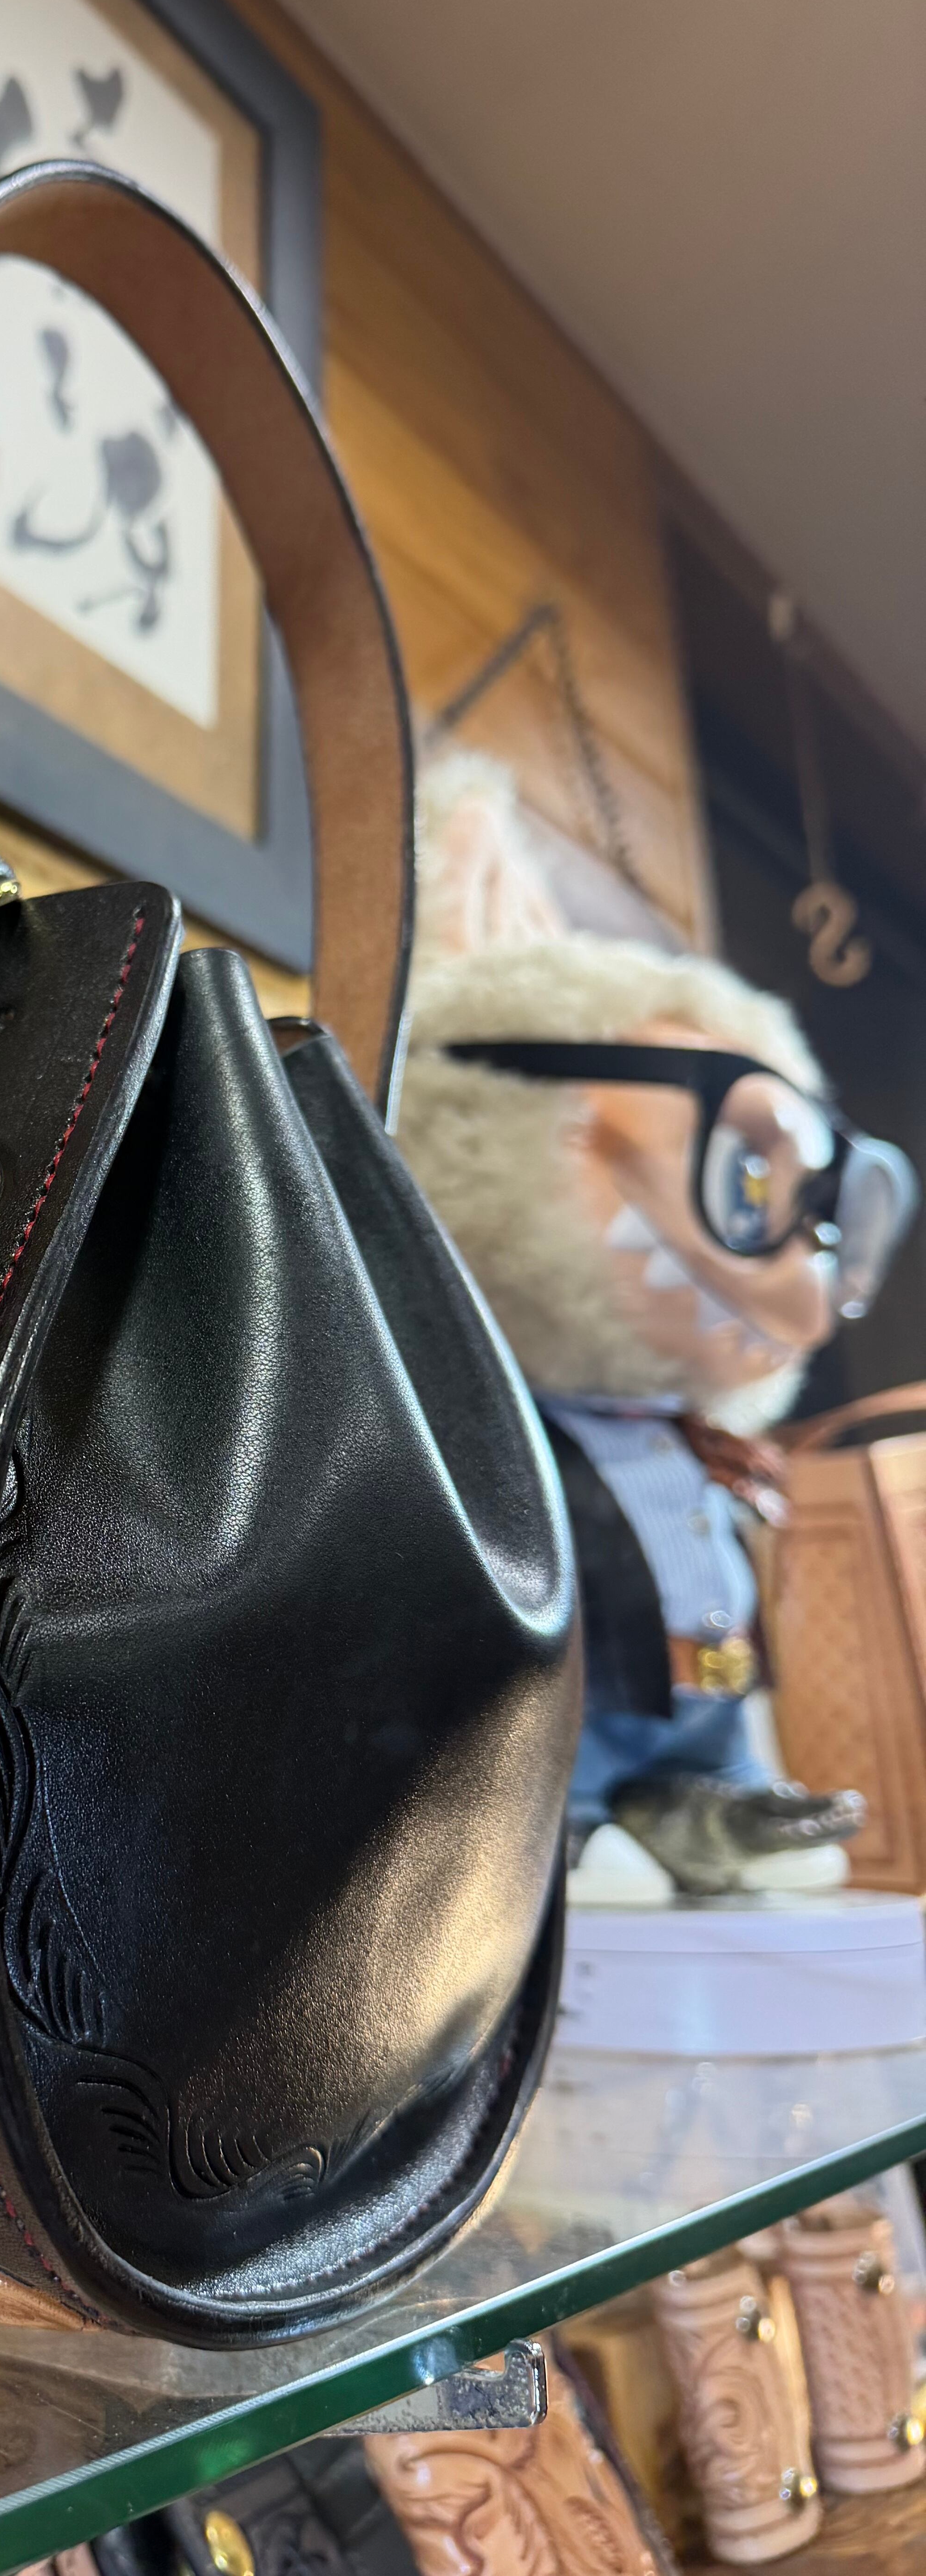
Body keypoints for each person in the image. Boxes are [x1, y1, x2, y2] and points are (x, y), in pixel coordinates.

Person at [395, 756, 916, 1898]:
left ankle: (708, 1793)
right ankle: (567, 1816)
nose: (809, 1281)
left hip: (701, 1689)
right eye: (751, 1177)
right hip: (539, 1734)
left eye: (833, 1219)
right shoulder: (469, 1419)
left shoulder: (695, 1438)